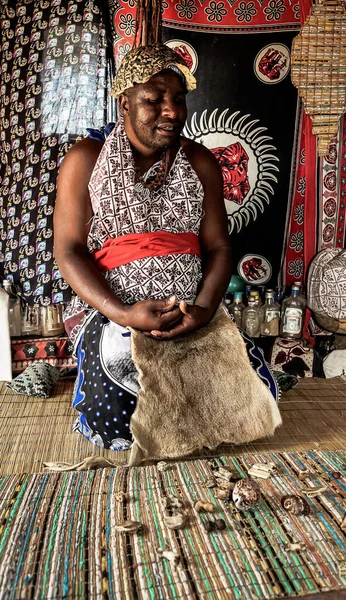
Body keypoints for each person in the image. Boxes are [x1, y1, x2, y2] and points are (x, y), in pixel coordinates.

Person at [55, 45, 279, 451]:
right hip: (114, 314)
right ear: (124, 103)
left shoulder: (200, 161)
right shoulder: (86, 158)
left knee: (252, 395)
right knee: (121, 415)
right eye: (154, 99)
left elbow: (218, 247)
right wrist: (122, 312)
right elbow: (68, 251)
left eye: (178, 99)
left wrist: (204, 310)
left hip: (189, 311)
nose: (172, 111)